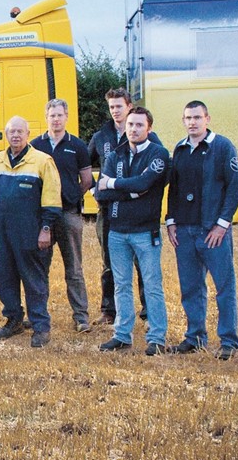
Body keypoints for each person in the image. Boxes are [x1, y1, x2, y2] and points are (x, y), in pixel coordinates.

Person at [164, 101, 238, 360]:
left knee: (224, 287)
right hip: (185, 230)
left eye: (197, 117)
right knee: (191, 287)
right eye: (188, 117)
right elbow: (173, 188)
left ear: (207, 118)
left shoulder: (222, 147)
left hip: (212, 231)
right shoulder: (179, 148)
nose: (192, 122)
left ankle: (229, 341)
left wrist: (222, 224)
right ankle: (195, 337)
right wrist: (171, 220)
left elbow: (235, 189)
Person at [96, 106, 170, 356]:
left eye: (139, 125)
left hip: (145, 232)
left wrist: (116, 185)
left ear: (148, 128)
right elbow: (100, 192)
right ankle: (122, 335)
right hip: (117, 232)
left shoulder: (158, 155)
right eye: (130, 125)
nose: (134, 129)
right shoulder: (115, 155)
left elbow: (144, 182)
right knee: (121, 285)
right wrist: (133, 192)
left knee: (152, 285)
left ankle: (157, 337)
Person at [0, 116, 61, 348]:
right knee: (5, 278)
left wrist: (46, 229)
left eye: (20, 131)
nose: (16, 136)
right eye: (11, 132)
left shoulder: (42, 161)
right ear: (6, 134)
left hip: (31, 231)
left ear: (28, 134)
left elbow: (52, 200)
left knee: (34, 280)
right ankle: (13, 319)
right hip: (2, 232)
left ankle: (40, 326)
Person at [87, 87, 155, 326]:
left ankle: (148, 313)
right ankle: (109, 311)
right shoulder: (101, 136)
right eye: (112, 107)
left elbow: (150, 178)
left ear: (129, 107)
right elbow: (84, 166)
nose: (115, 111)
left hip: (137, 211)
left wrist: (122, 188)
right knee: (109, 262)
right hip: (107, 210)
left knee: (141, 264)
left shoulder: (146, 136)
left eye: (119, 106)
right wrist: (94, 189)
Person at [30, 99, 93, 333]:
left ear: (66, 117)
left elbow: (86, 179)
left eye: (60, 115)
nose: (56, 119)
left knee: (74, 269)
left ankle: (81, 317)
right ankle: (37, 314)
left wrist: (71, 196)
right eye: (52, 115)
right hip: (42, 217)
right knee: (39, 268)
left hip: (68, 215)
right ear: (46, 117)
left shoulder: (77, 146)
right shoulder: (35, 145)